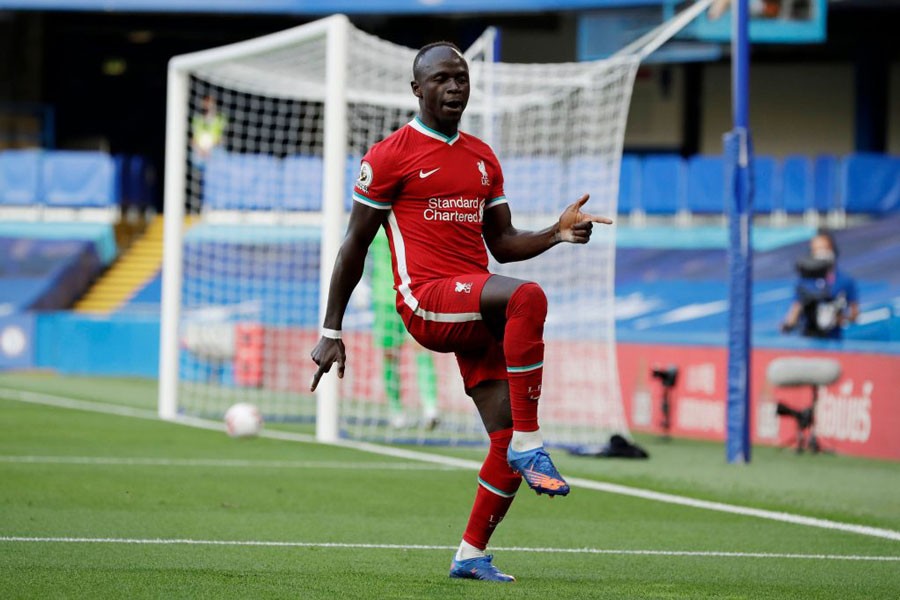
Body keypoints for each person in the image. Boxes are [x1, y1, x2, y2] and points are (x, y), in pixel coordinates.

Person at [309, 41, 612, 582]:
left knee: (503, 435)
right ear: (416, 88)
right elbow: (354, 244)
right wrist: (331, 329)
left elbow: (504, 243)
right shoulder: (388, 156)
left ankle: (471, 555)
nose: (454, 87)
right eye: (442, 78)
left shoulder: (482, 157)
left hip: (472, 303)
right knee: (528, 298)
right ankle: (533, 444)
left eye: (462, 78)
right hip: (426, 300)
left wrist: (557, 233)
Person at [370, 228, 440, 430]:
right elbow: (362, 252)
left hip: (413, 294)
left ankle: (430, 407)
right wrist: (360, 284)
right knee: (390, 355)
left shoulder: (409, 218)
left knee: (422, 347)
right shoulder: (373, 219)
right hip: (384, 297)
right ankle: (396, 410)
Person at [781, 228, 859, 339]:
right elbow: (795, 309)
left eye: (824, 248)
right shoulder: (804, 280)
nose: (820, 253)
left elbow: (854, 313)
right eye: (816, 249)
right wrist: (787, 326)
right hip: (808, 339)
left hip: (833, 340)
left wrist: (838, 319)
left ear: (832, 249)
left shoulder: (845, 280)